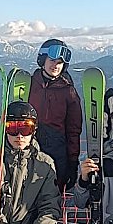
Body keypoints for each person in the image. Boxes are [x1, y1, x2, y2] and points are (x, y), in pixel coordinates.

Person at [27, 38, 83, 192]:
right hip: (29, 146)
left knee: (51, 197)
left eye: (60, 62)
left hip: (57, 151)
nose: (55, 65)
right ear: (42, 60)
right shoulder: (29, 85)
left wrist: (73, 161)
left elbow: (74, 129)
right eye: (52, 60)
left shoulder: (68, 91)